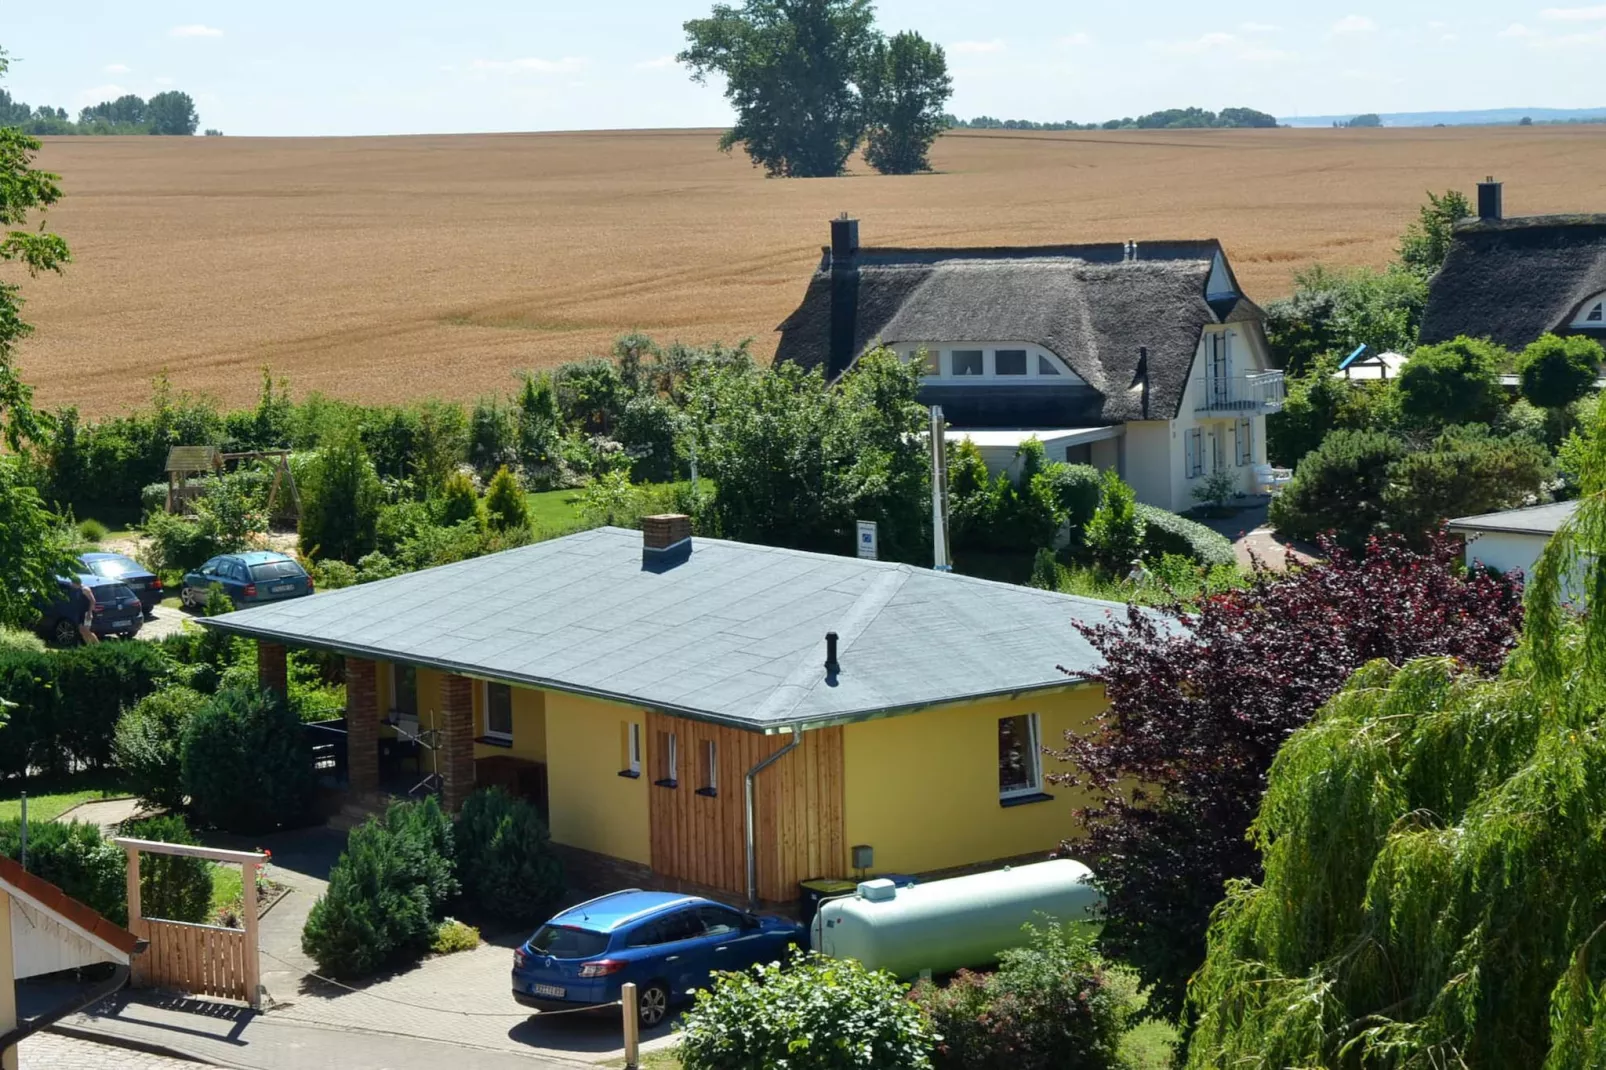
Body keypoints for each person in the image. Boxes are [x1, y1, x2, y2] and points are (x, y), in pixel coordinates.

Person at [68, 577, 99, 645]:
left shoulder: (85, 589)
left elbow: (93, 601)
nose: (71, 585)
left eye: (72, 583)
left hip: (87, 612)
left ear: (75, 583)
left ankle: (98, 645)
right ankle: (89, 645)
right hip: (81, 613)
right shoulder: (77, 590)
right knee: (81, 630)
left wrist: (90, 612)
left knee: (86, 630)